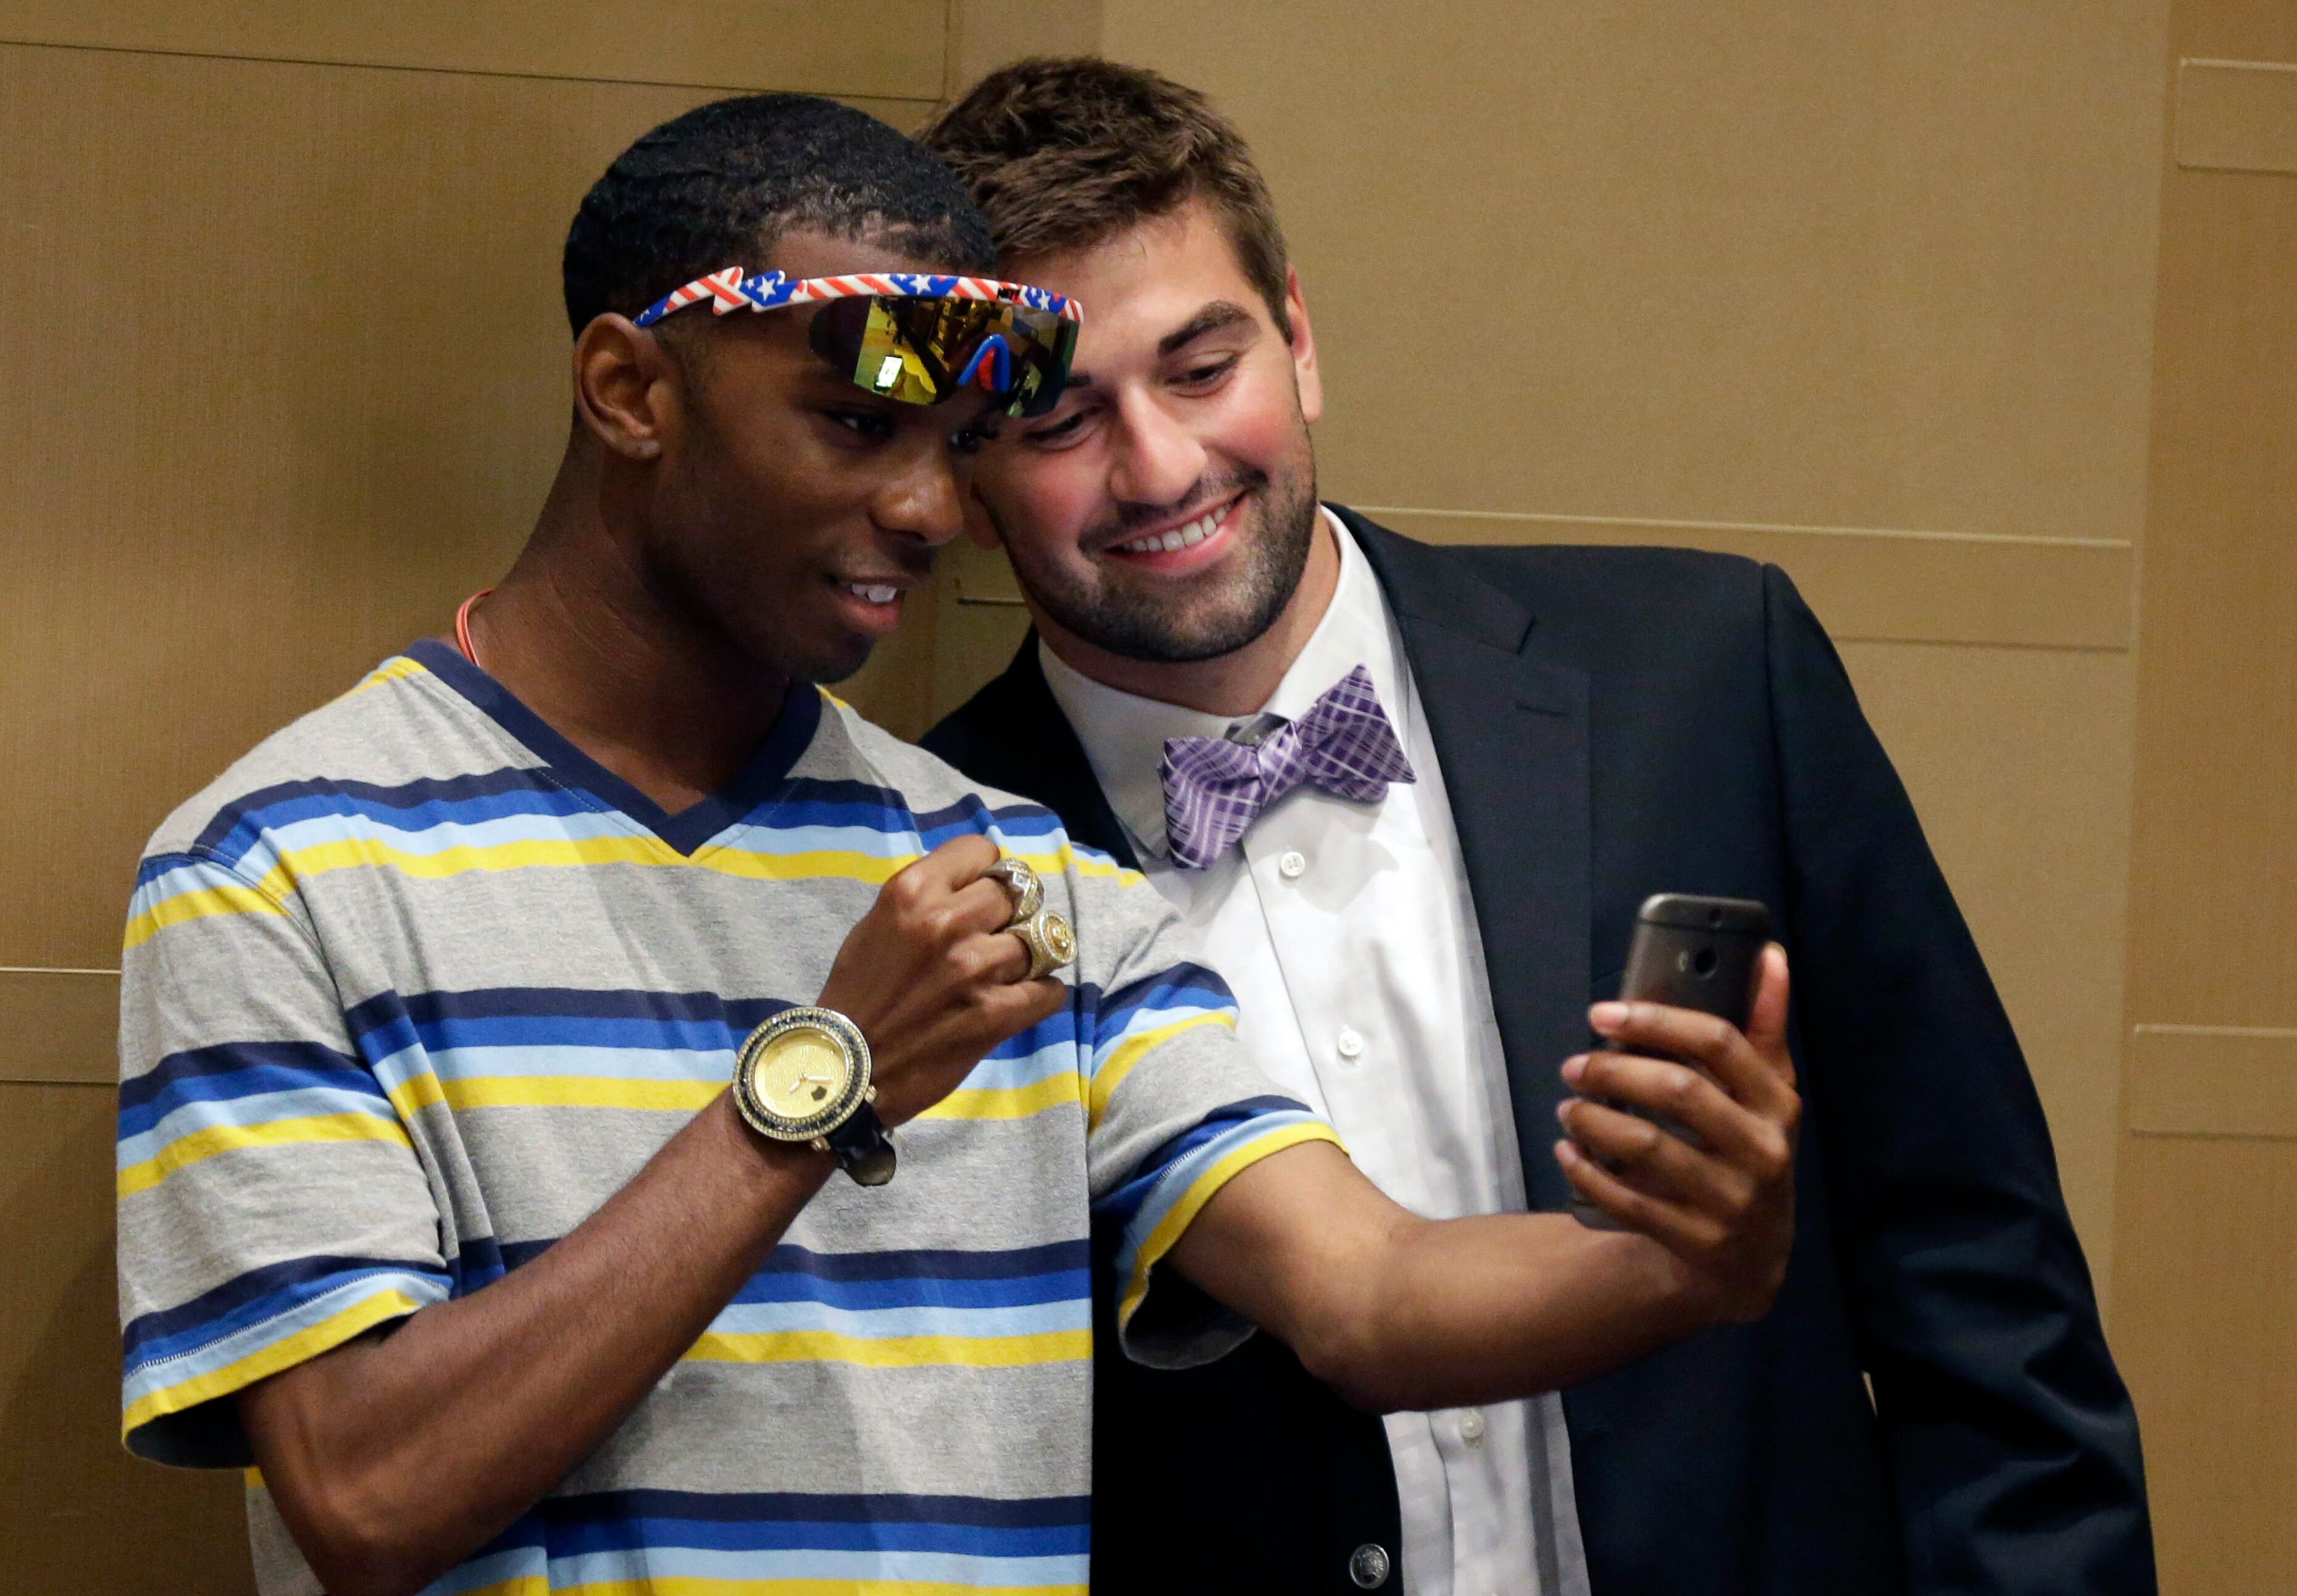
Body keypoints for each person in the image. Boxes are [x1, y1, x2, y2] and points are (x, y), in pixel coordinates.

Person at [114, 94, 1800, 1596]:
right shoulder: (277, 867)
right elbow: (365, 1491)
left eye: (959, 437)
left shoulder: (1021, 876)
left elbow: (1365, 1294)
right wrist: (818, 1087)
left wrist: (1671, 1260)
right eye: (861, 424)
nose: (932, 511)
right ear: (631, 389)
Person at [920, 58, 2154, 1596]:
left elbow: (1984, 1297)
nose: (1160, 465)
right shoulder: (930, 858)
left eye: (1200, 364)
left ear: (1299, 341)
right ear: (960, 479)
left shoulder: (1709, 671)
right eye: (1058, 421)